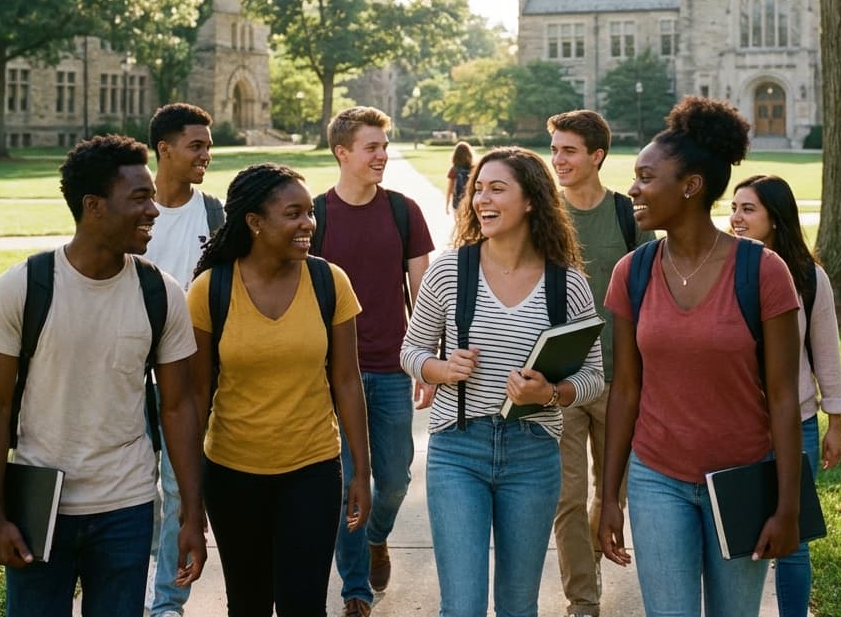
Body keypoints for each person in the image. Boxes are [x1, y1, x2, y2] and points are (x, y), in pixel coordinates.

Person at [0, 135, 206, 617]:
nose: (154, 210)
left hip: (127, 505)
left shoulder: (159, 293)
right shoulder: (24, 286)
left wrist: (190, 512)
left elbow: (178, 406)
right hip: (40, 510)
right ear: (94, 207)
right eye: (139, 198)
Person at [599, 97, 802, 617]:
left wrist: (788, 506)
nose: (633, 188)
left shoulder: (763, 271)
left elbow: (783, 397)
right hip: (657, 477)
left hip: (741, 480)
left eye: (646, 176)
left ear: (690, 185)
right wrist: (608, 497)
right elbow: (625, 389)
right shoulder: (633, 272)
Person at [401, 147, 605, 617]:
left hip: (533, 454)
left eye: (497, 189)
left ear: (531, 200)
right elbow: (410, 352)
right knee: (464, 606)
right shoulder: (451, 271)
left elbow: (592, 377)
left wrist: (550, 394)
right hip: (459, 451)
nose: (480, 199)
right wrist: (441, 369)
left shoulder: (567, 284)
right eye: (478, 189)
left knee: (518, 606)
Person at [187, 163, 372, 616]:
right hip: (232, 473)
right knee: (247, 603)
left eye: (310, 212)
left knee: (304, 604)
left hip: (311, 469)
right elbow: (195, 399)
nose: (309, 223)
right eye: (294, 214)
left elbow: (347, 380)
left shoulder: (330, 282)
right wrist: (189, 500)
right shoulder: (211, 289)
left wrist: (361, 472)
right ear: (254, 222)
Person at [318, 106, 435, 617]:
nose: (383, 155)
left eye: (384, 146)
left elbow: (424, 294)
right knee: (348, 482)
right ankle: (355, 590)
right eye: (372, 147)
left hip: (391, 368)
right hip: (332, 373)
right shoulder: (316, 214)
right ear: (342, 152)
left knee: (394, 480)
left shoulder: (403, 211)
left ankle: (377, 536)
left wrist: (427, 362)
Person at [547, 109, 655, 617]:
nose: (559, 159)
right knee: (567, 498)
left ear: (597, 156)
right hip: (561, 383)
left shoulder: (627, 216)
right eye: (554, 150)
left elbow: (653, 296)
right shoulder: (543, 214)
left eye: (569, 150)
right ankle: (583, 602)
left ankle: (587, 564)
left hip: (621, 382)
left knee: (610, 493)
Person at [730, 174, 841, 617]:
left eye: (748, 209)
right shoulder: (725, 269)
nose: (736, 218)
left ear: (775, 218)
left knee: (793, 544)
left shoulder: (808, 277)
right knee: (740, 539)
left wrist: (834, 422)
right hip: (736, 428)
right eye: (735, 207)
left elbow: (826, 353)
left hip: (797, 427)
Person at [144, 102, 223, 617]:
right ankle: (149, 560)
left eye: (209, 148)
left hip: (188, 380)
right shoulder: (129, 205)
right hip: (126, 376)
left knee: (179, 488)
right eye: (196, 146)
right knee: (131, 490)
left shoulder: (215, 214)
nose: (205, 156)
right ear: (164, 149)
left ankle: (167, 603)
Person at [445, 140, 475, 216]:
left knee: (458, 223)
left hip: (457, 202)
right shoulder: (474, 169)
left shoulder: (454, 170)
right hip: (470, 201)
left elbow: (449, 189)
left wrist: (447, 204)